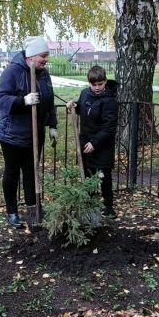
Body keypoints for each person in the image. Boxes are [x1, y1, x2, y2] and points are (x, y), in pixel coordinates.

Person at [0, 37, 57, 228]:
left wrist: (52, 125)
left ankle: (33, 210)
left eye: (46, 56)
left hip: (35, 133)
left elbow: (49, 101)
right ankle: (12, 212)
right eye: (43, 56)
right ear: (31, 56)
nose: (45, 59)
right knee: (12, 172)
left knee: (31, 172)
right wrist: (23, 100)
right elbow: (0, 99)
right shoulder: (13, 71)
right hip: (12, 134)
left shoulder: (43, 74)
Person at [66, 66, 118, 217]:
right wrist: (74, 105)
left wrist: (95, 143)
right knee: (88, 174)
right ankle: (89, 204)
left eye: (100, 84)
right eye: (93, 84)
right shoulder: (85, 93)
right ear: (89, 83)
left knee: (104, 176)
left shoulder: (109, 101)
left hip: (102, 145)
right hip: (86, 141)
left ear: (105, 82)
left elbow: (108, 127)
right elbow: (83, 106)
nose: (96, 88)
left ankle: (108, 206)